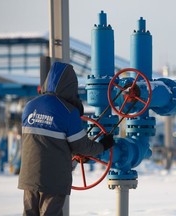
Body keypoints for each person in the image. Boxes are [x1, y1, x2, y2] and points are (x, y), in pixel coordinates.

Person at [18, 61, 114, 216]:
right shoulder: (68, 112)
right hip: (53, 179)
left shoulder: (30, 106)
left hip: (29, 176)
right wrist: (103, 145)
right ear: (70, 85)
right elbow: (82, 147)